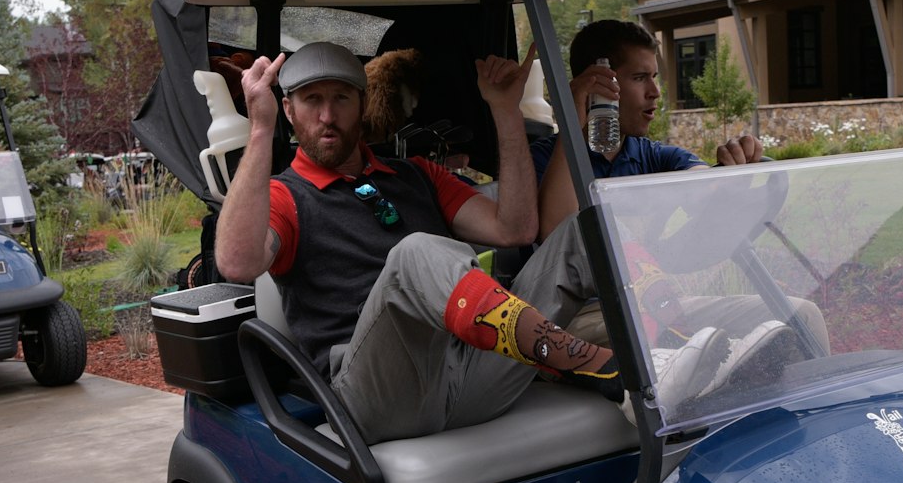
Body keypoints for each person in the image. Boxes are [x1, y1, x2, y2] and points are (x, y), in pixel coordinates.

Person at [215, 40, 751, 445]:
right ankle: (603, 368)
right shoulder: (285, 195)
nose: (327, 116)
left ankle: (675, 345)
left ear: (362, 105)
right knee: (416, 252)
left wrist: (503, 108)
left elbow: (515, 228)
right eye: (311, 101)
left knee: (587, 227)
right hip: (378, 394)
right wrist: (259, 131)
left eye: (340, 99)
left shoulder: (415, 174)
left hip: (470, 374)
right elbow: (238, 261)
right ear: (289, 111)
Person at [534, 20, 763, 236]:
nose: (655, 91)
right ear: (595, 86)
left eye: (653, 76)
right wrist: (571, 123)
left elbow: (704, 188)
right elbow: (556, 235)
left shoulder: (654, 158)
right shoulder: (543, 159)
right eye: (639, 77)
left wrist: (735, 165)